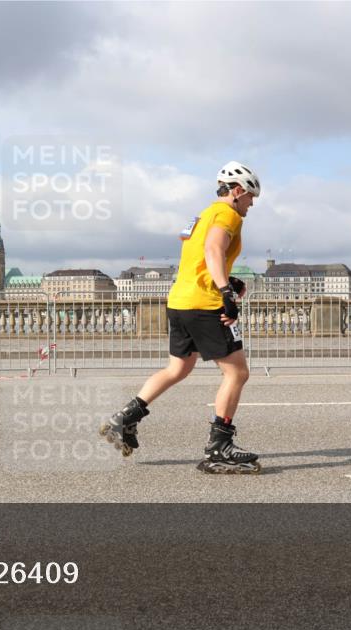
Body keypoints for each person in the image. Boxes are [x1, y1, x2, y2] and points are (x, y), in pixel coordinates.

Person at [100, 161, 262, 474]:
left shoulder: (202, 216)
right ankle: (220, 446)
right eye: (251, 197)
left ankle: (124, 419)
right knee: (237, 373)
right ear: (238, 191)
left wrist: (228, 279)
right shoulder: (228, 214)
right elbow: (214, 251)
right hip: (205, 305)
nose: (251, 204)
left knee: (178, 367)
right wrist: (227, 293)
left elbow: (198, 260)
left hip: (180, 301)